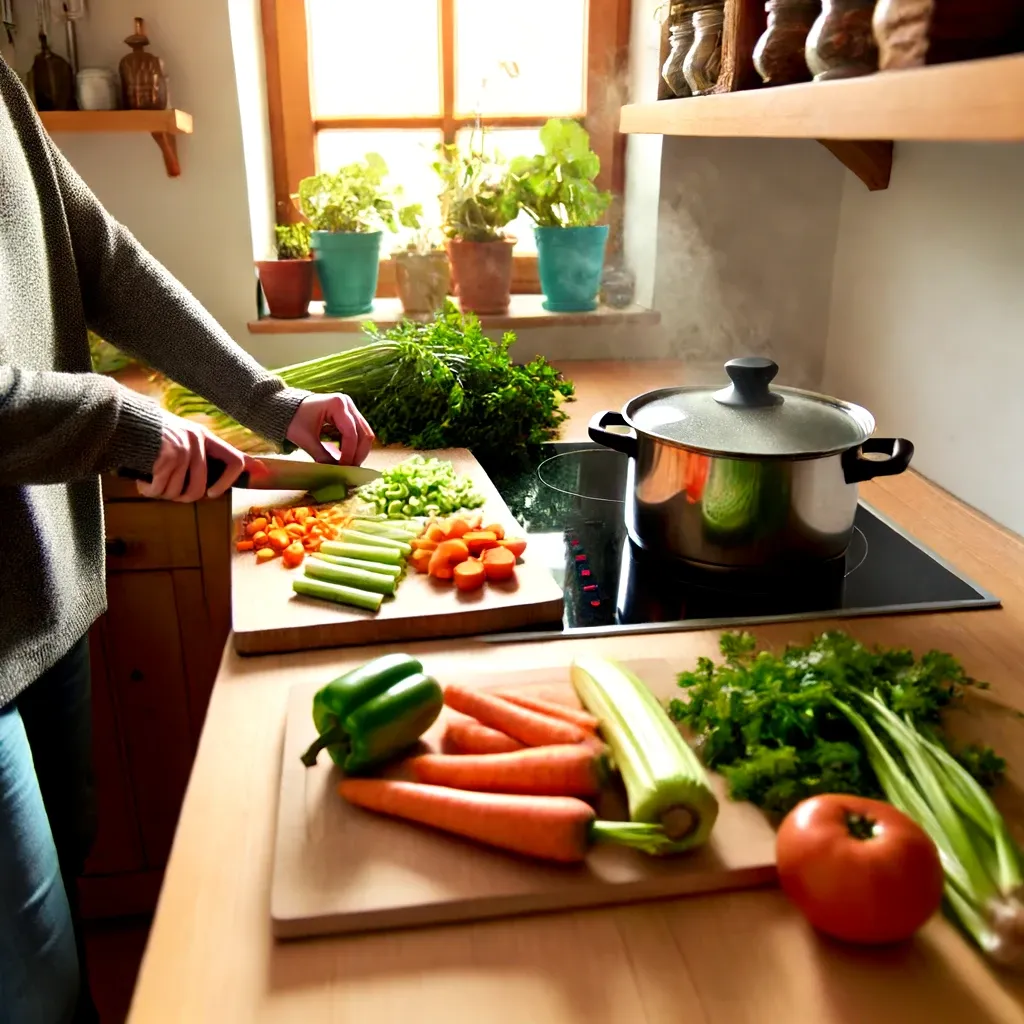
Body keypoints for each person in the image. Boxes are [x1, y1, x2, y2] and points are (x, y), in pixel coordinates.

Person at [0, 56, 374, 1023]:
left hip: (42, 598)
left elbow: (105, 262)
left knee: (68, 867)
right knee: (28, 969)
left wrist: (267, 400)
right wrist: (126, 428)